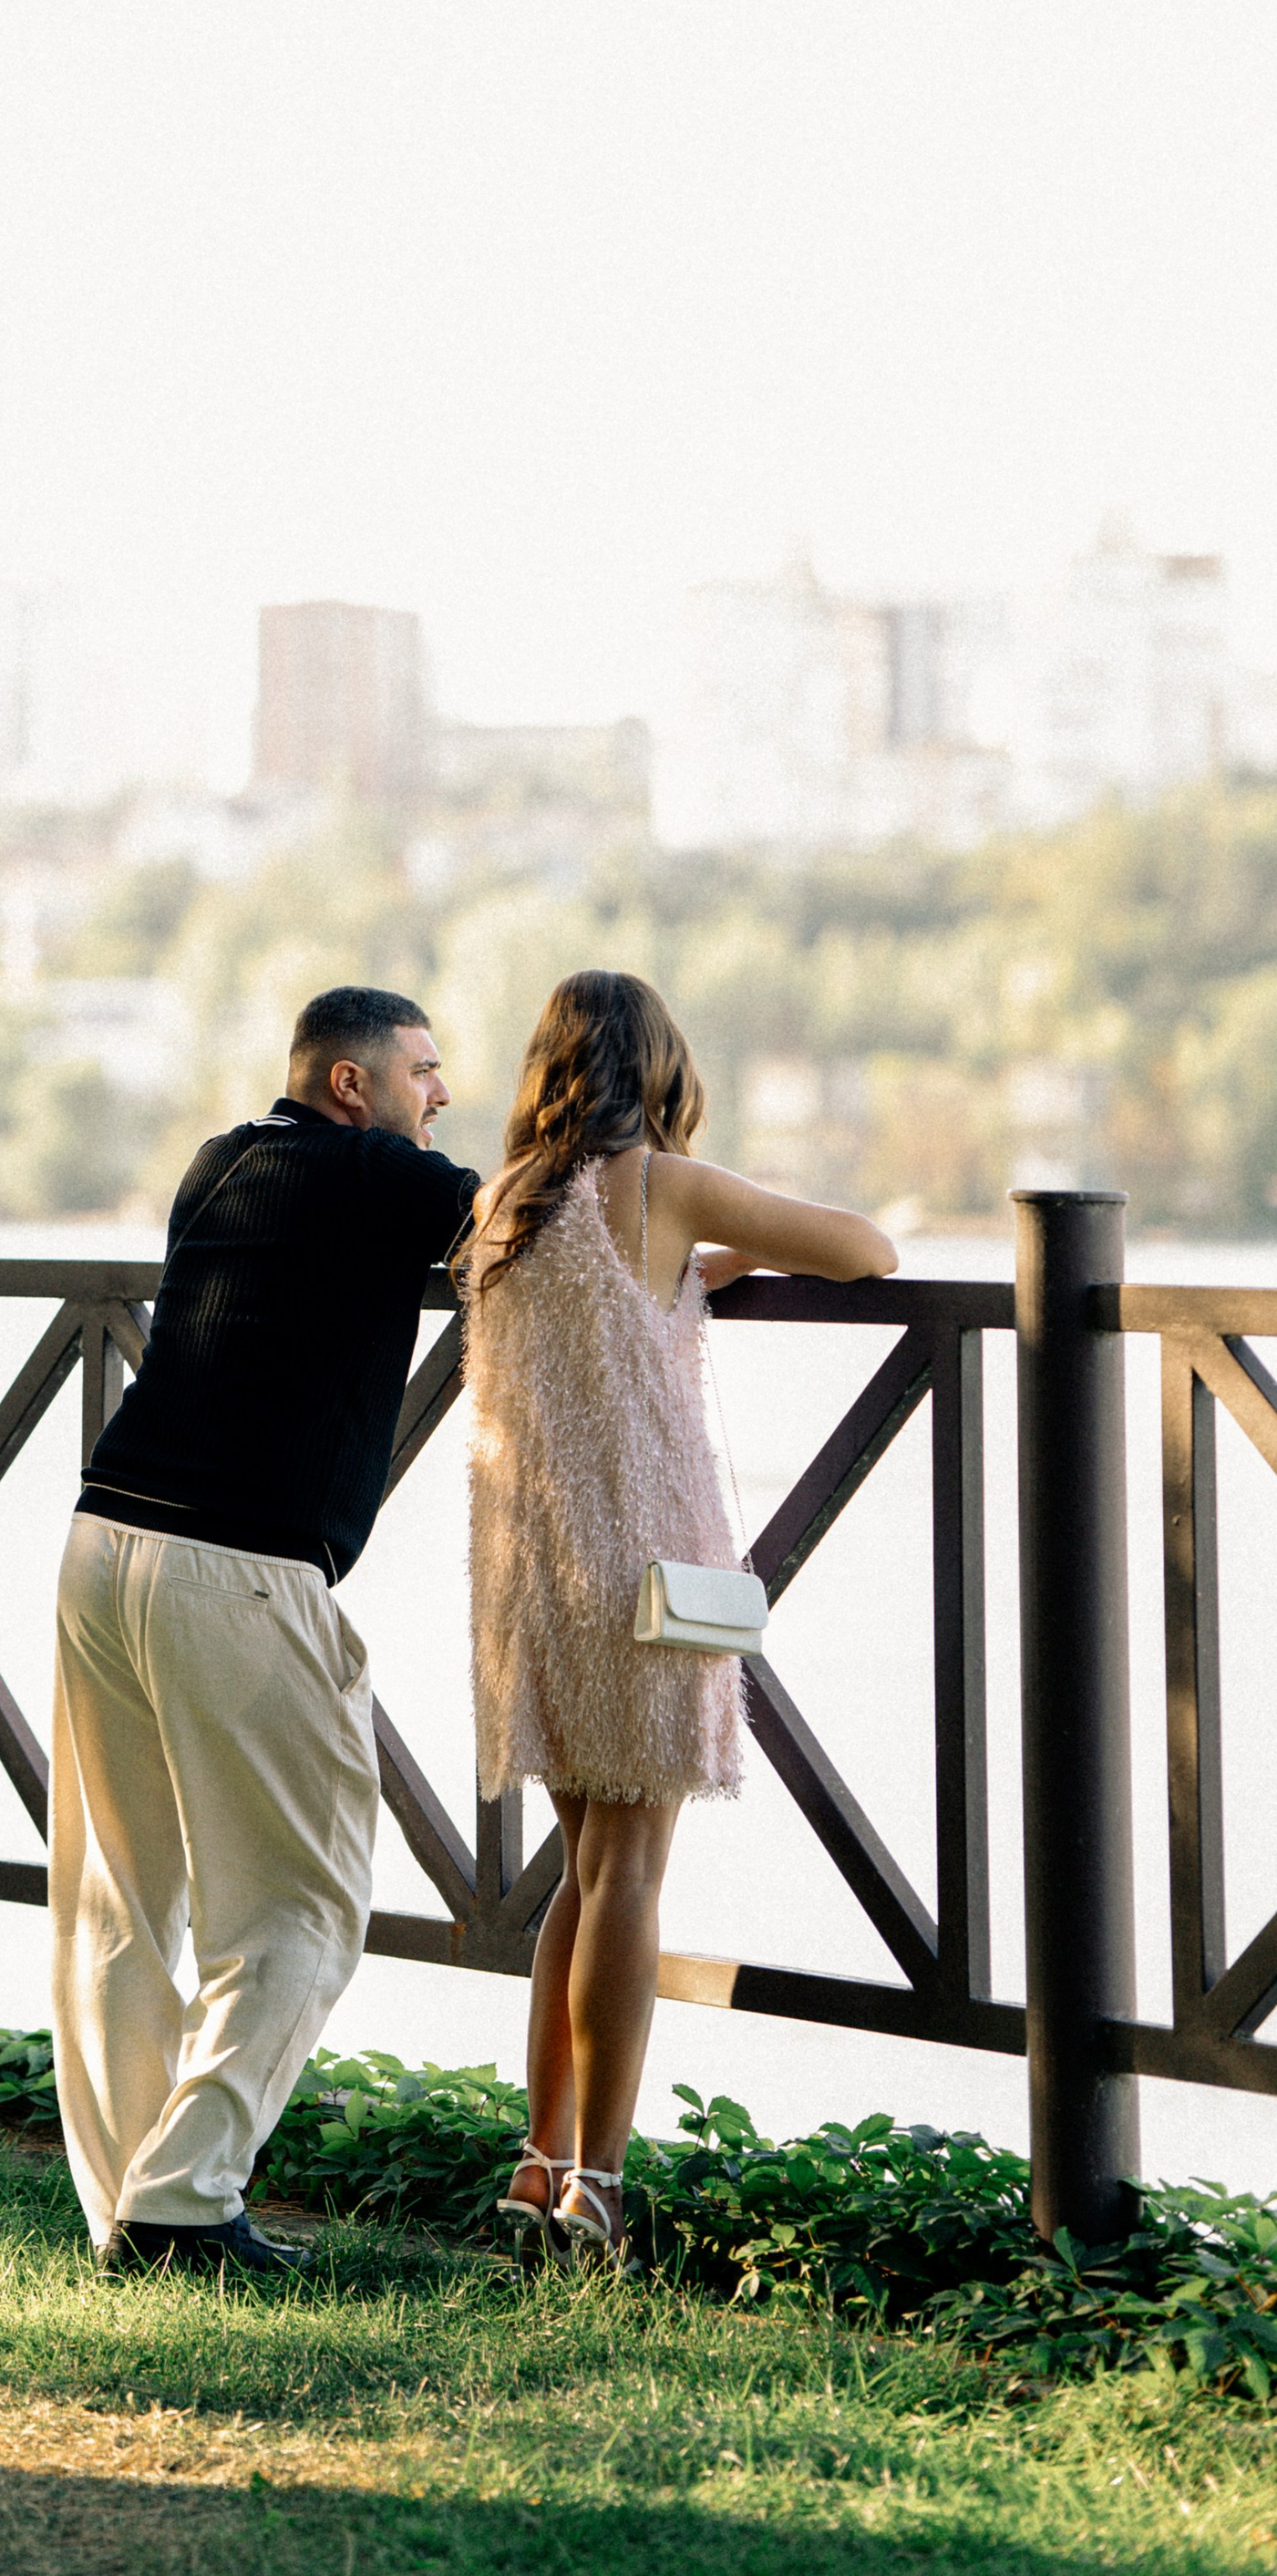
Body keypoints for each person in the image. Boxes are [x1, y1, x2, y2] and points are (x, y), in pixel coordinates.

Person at [459, 968, 896, 2259]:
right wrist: (728, 1243)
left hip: (532, 1583)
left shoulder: (502, 1209)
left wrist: (713, 1261)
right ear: (655, 1068)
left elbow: (624, 1295)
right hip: (647, 1581)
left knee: (577, 1881)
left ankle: (542, 2163)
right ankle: (601, 2179)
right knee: (630, 1874)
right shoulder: (661, 1183)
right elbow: (870, 1248)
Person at [50, 984, 479, 2279]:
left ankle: (134, 2199)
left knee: (121, 1901)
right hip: (232, 1565)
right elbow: (546, 1228)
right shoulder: (379, 1173)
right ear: (351, 1085)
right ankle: (185, 2201)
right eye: (424, 1068)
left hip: (103, 1540)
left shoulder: (218, 1163)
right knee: (304, 1898)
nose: (441, 1094)